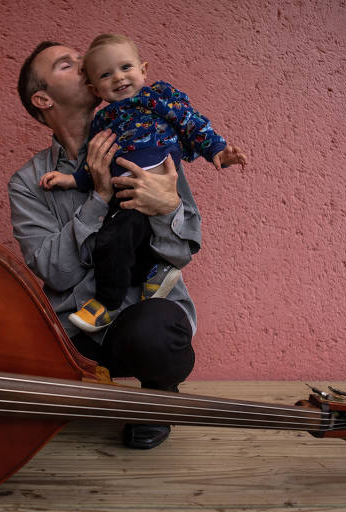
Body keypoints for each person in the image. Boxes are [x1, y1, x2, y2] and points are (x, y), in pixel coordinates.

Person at [10, 41, 202, 449]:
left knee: (157, 333)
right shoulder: (28, 183)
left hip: (144, 317)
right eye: (67, 64)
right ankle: (91, 386)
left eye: (83, 60)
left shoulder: (148, 142)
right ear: (43, 99)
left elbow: (181, 253)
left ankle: (157, 395)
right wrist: (97, 199)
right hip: (77, 331)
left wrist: (168, 208)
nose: (84, 65)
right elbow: (55, 273)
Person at [40, 34, 246, 333]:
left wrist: (216, 149)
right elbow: (96, 164)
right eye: (106, 74)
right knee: (113, 241)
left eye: (126, 67)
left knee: (129, 234)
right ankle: (149, 274)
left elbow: (190, 121)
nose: (119, 77)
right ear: (94, 88)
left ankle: (107, 303)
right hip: (125, 197)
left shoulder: (156, 98)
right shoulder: (102, 122)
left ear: (144, 69)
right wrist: (72, 179)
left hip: (159, 185)